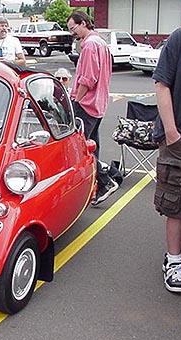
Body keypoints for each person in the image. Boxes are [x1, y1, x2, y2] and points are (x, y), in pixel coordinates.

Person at [152, 25, 181, 294]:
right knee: (177, 203)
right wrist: (172, 134)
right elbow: (161, 84)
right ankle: (173, 260)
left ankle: (179, 258)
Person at [67, 10, 118, 206]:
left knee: (82, 148)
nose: (72, 33)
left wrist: (76, 101)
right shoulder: (101, 43)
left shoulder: (89, 46)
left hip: (86, 105)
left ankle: (105, 181)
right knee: (92, 147)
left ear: (83, 23)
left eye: (73, 29)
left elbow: (88, 79)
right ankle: (100, 183)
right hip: (99, 104)